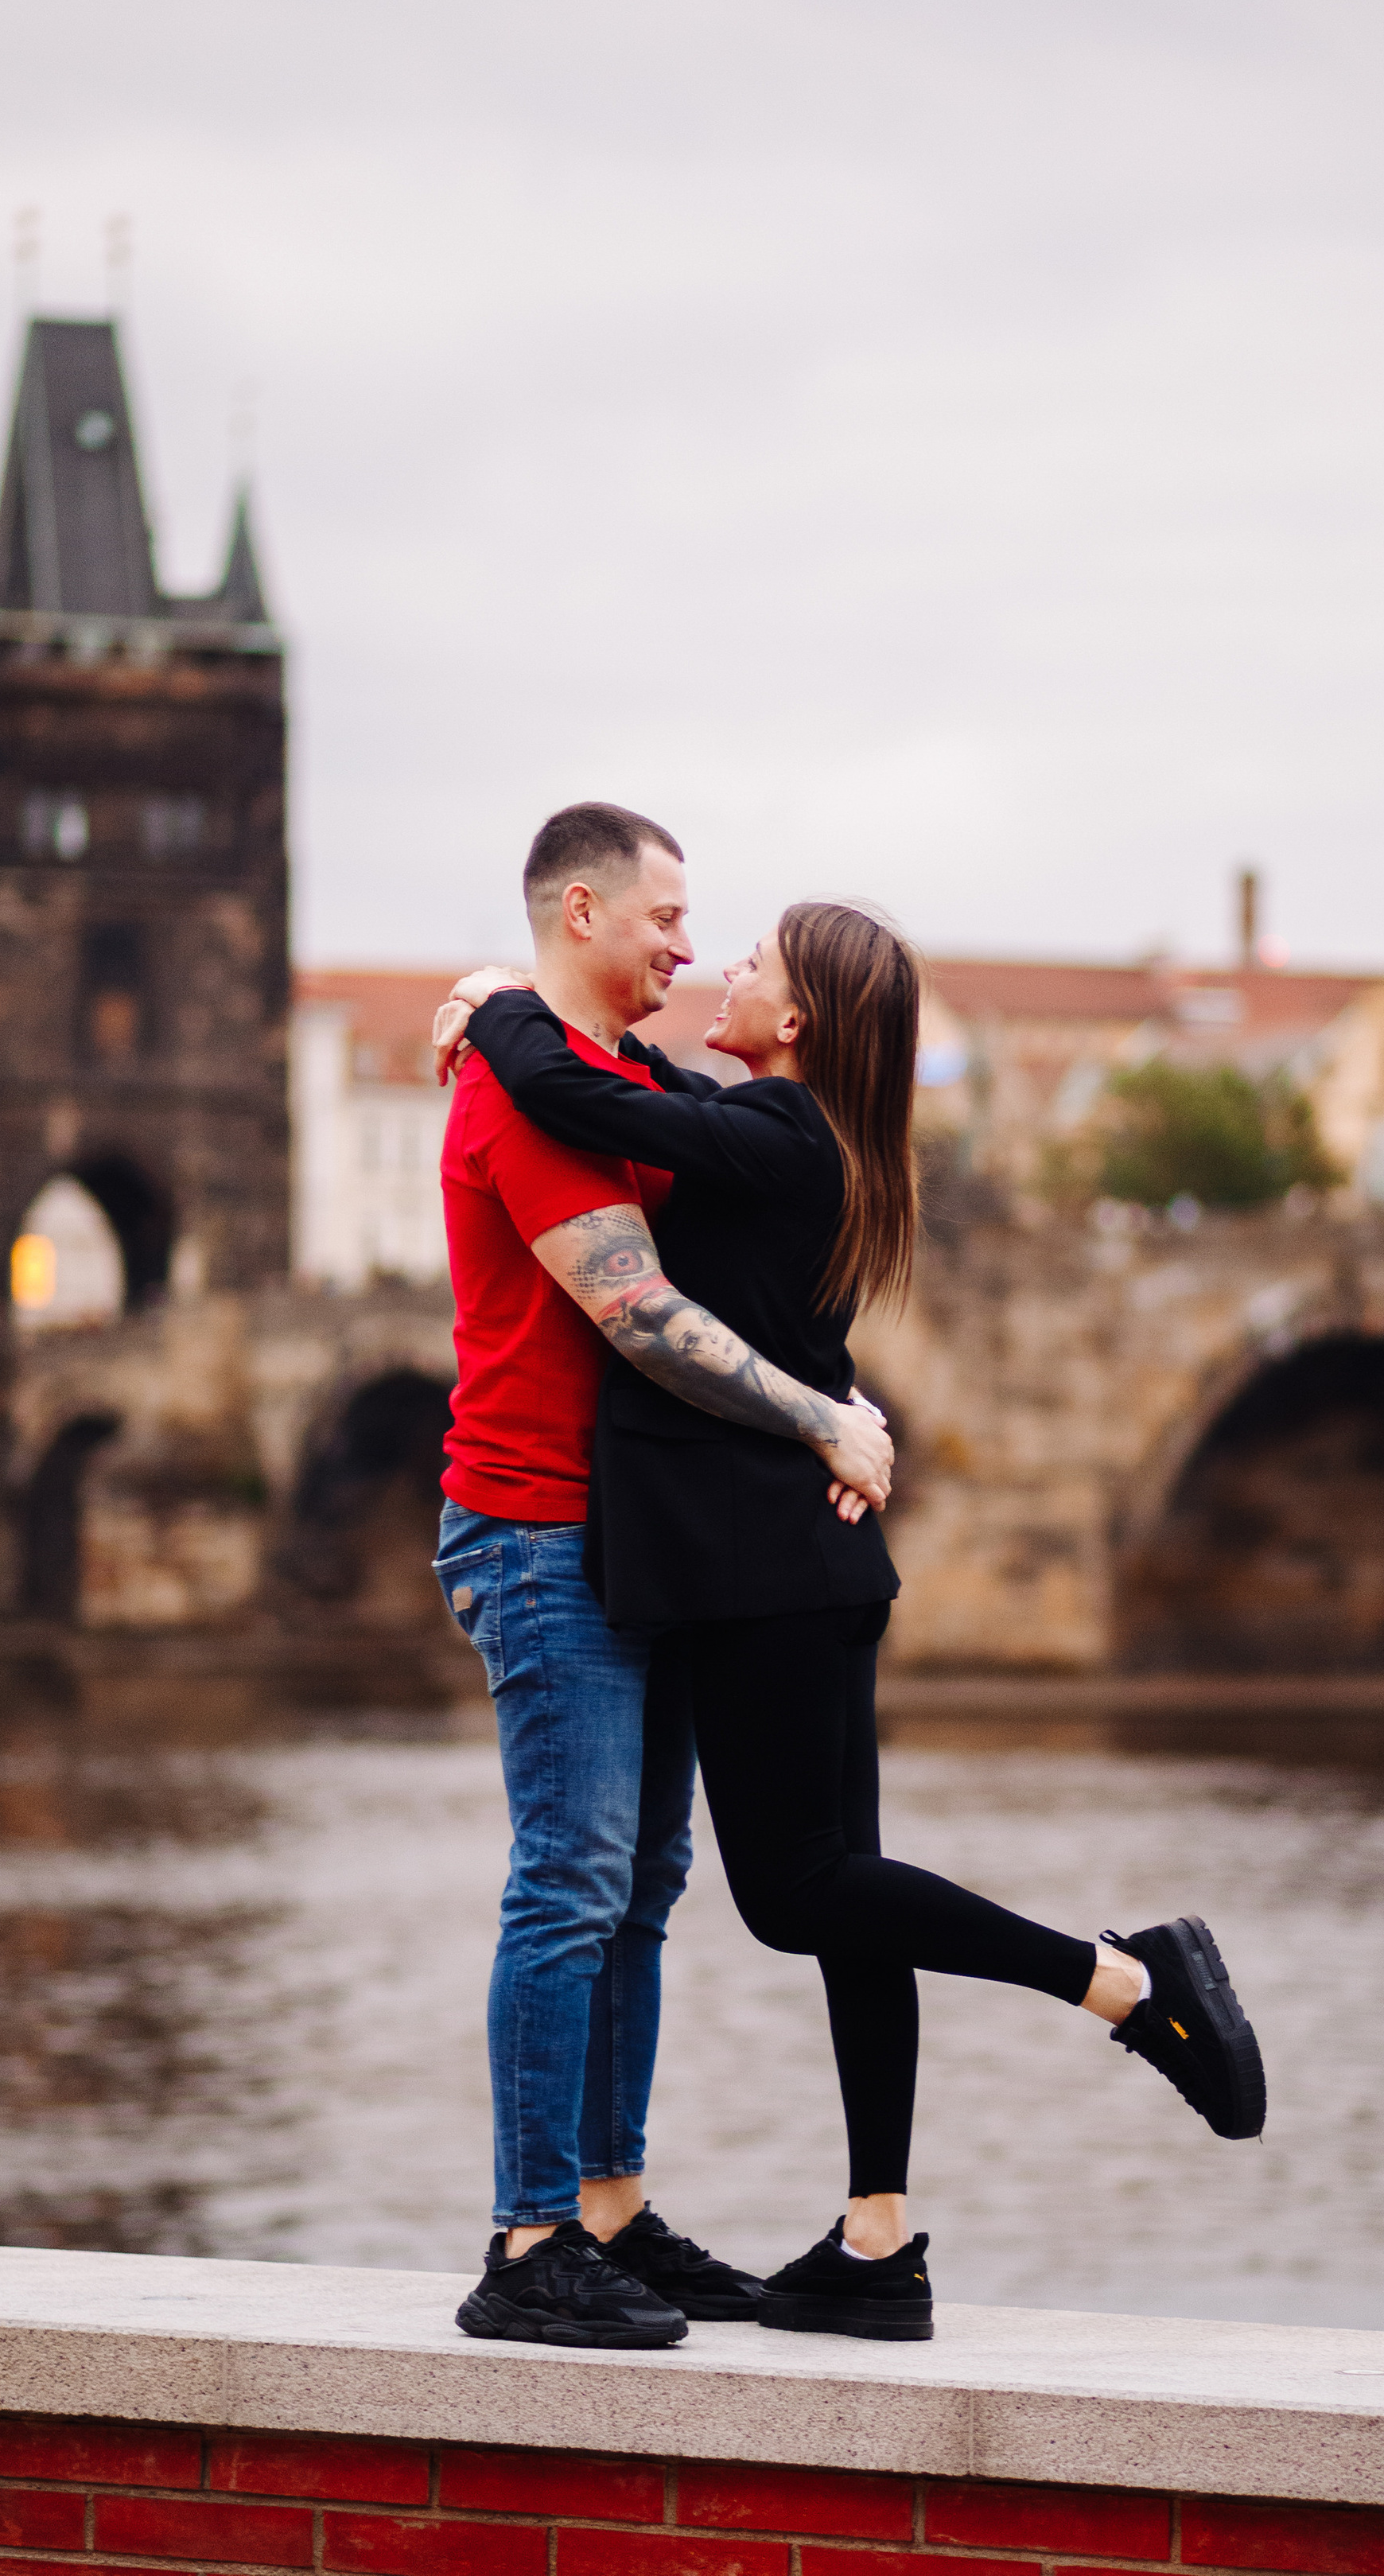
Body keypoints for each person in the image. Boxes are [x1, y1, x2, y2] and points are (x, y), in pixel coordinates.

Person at [441, 900, 1265, 2345]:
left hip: (759, 1572)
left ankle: (1128, 1983)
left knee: (799, 1893)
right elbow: (636, 1094)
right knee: (852, 1892)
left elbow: (574, 1085)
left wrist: (501, 998)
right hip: (806, 1567)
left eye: (752, 962)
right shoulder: (802, 1138)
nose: (725, 972)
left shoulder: (777, 1134)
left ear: (804, 1018)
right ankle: (877, 2240)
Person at [434, 804, 895, 2352]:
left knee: (642, 1882)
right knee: (571, 1876)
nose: (688, 949)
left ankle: (611, 2210)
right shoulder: (534, 1098)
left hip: (646, 1541)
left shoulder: (615, 1079)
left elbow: (739, 1205)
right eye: (663, 922)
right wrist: (826, 1414)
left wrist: (489, 996)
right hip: (540, 1521)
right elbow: (641, 1320)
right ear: (582, 910)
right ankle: (526, 2235)